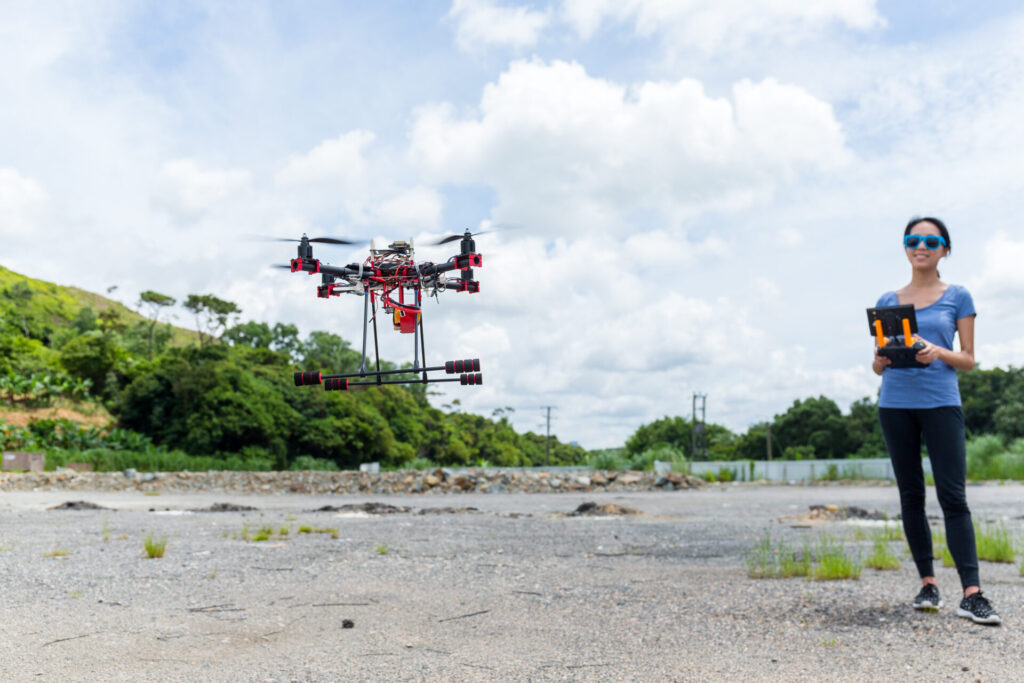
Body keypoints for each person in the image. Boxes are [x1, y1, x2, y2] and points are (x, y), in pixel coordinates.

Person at [872, 216, 1000, 625]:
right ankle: (928, 584)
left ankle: (972, 593)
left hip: (941, 403)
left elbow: (968, 359)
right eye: (913, 239)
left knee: (953, 497)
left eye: (931, 240)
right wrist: (878, 362)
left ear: (944, 249)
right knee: (911, 496)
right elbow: (880, 366)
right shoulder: (889, 300)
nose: (921, 245)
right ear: (906, 247)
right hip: (895, 403)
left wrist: (936, 351)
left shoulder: (957, 296)